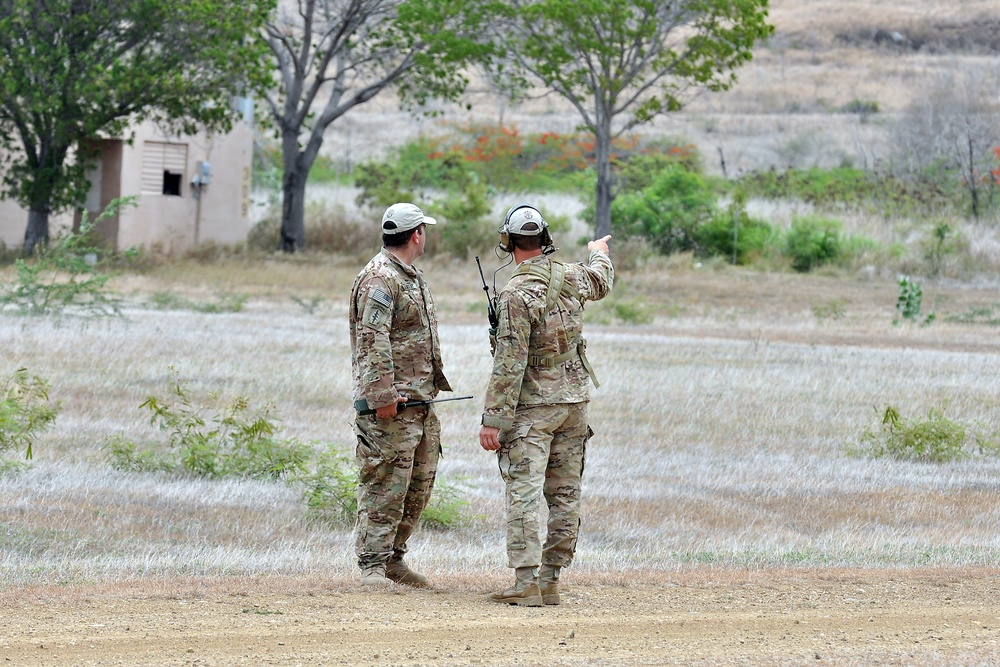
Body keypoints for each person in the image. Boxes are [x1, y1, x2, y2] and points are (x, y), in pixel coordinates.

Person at [478, 203, 614, 606]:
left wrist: (493, 420)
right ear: (546, 238)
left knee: (523, 489)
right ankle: (551, 579)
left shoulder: (514, 294)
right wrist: (598, 251)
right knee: (565, 492)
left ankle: (525, 583)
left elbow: (509, 360)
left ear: (508, 242)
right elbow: (601, 280)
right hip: (575, 402)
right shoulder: (574, 274)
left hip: (534, 408)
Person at [349, 202, 452, 586]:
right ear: (416, 235)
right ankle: (372, 565)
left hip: (419, 403)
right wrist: (383, 397)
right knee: (385, 483)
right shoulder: (380, 279)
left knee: (417, 484)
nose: (425, 235)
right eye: (424, 230)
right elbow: (372, 341)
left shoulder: (409, 276)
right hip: (392, 406)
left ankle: (394, 559)